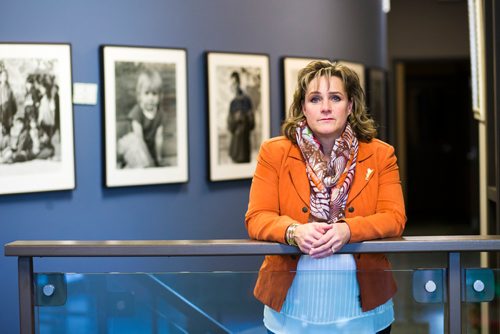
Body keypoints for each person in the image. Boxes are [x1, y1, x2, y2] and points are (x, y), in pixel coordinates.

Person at [245, 61, 406, 333]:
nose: (326, 107)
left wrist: (348, 230)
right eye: (315, 98)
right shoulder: (274, 152)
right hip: (292, 311)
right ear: (303, 107)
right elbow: (257, 217)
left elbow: (394, 218)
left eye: (336, 97)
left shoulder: (380, 154)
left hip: (364, 311)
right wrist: (293, 231)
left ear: (351, 105)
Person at [126, 67, 166, 167]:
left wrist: (158, 158)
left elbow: (159, 138)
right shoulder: (137, 112)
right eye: (147, 93)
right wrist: (147, 160)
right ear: (139, 95)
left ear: (160, 96)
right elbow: (138, 139)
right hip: (134, 149)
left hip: (149, 151)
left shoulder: (160, 114)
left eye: (154, 94)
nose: (150, 98)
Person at [227, 71, 254, 163]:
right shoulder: (233, 102)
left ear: (238, 83)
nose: (232, 86)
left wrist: (243, 118)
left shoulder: (246, 100)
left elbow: (251, 123)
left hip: (244, 143)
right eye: (231, 83)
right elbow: (230, 123)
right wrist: (235, 119)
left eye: (234, 83)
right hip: (235, 145)